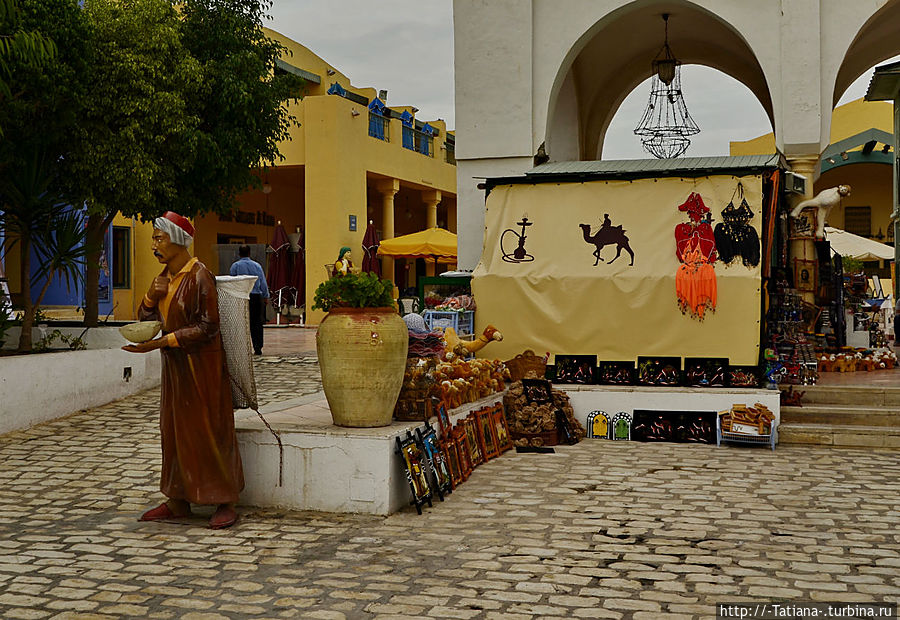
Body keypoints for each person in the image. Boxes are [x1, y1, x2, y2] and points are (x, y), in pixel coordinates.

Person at [123, 211, 243, 530]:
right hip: (176, 369)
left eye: (159, 239)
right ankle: (178, 498)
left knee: (207, 430)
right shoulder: (166, 277)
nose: (154, 246)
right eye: (153, 239)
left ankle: (224, 498)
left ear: (177, 240)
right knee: (173, 431)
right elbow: (146, 318)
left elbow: (207, 327)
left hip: (201, 368)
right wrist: (151, 296)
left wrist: (165, 342)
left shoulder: (199, 275)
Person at [229, 245, 269, 355]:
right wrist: (265, 296)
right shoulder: (257, 266)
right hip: (256, 297)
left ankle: (243, 347)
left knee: (242, 323)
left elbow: (233, 283)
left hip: (242, 296)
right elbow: (263, 282)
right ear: (249, 253)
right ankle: (258, 346)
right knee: (257, 322)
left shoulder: (235, 266)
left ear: (239, 253)